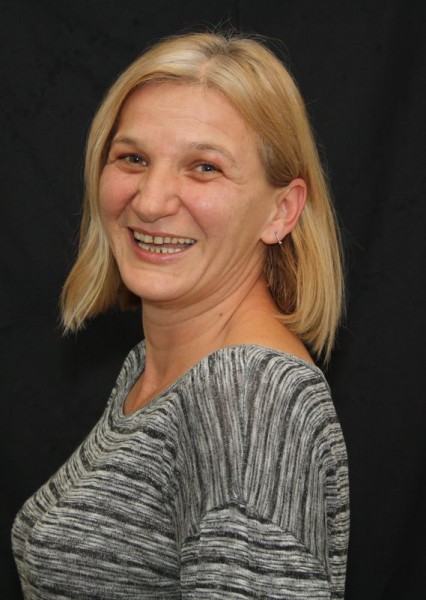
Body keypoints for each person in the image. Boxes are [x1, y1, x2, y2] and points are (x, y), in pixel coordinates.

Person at [12, 31, 349, 599]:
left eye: (204, 167)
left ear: (282, 210)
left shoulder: (248, 396)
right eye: (133, 158)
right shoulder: (154, 370)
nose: (150, 201)